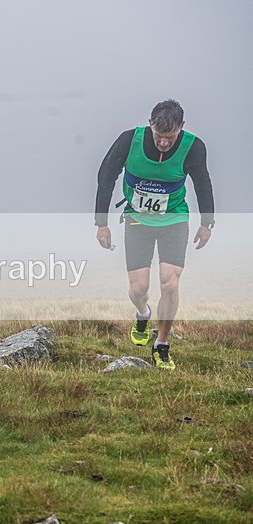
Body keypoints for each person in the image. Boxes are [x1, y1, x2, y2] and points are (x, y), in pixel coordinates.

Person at [94, 99, 215, 369]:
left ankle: (161, 345)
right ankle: (142, 313)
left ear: (181, 128)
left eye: (169, 137)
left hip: (174, 220)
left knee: (170, 284)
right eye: (159, 136)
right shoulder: (129, 141)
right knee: (139, 289)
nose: (163, 143)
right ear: (150, 124)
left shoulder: (193, 147)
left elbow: (203, 183)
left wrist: (207, 223)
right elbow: (106, 176)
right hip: (137, 221)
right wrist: (101, 223)